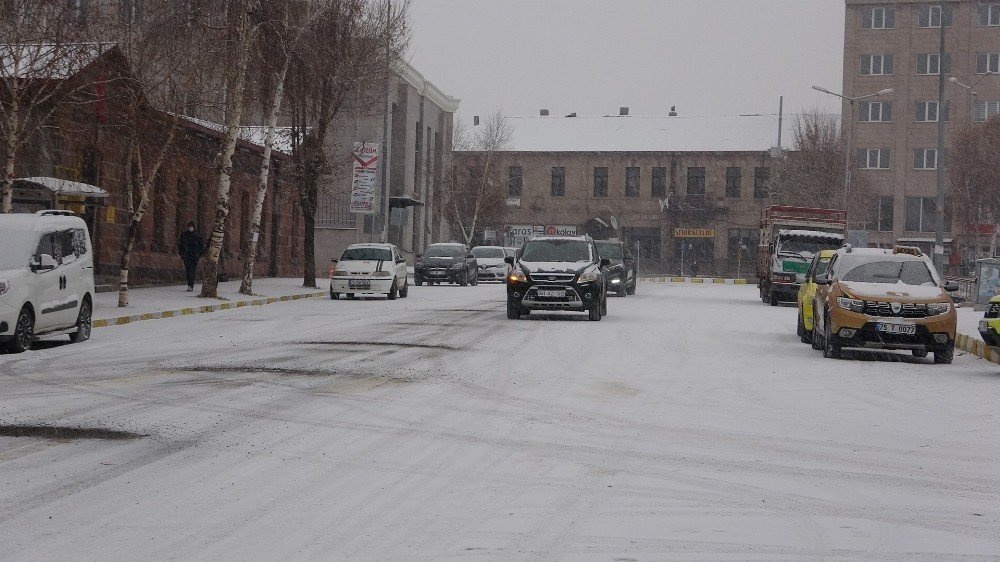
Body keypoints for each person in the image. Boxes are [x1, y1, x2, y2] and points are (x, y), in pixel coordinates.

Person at [177, 222, 206, 291]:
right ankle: (189, 284)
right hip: (187, 256)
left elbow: (201, 246)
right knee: (188, 270)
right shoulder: (184, 235)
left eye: (191, 226)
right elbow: (180, 245)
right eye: (189, 226)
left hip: (194, 256)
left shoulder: (197, 236)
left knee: (192, 271)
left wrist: (198, 255)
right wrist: (182, 254)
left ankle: (191, 285)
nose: (190, 228)